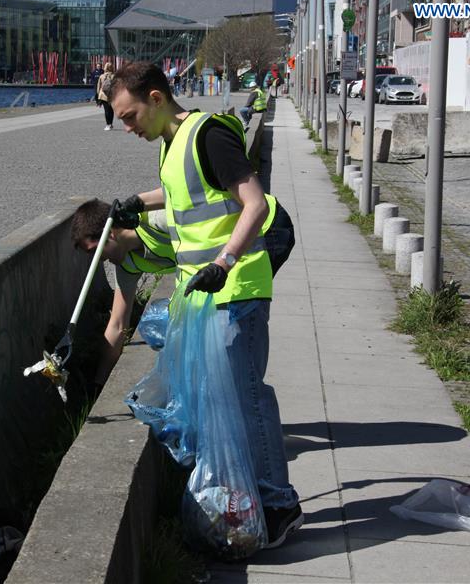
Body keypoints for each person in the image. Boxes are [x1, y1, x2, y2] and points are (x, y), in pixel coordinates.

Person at [105, 61, 301, 549]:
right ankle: (259, 496)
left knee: (249, 397)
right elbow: (185, 194)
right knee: (230, 398)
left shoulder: (209, 135)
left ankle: (280, 505)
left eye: (129, 117)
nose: (127, 128)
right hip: (207, 294)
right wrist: (139, 202)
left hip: (236, 291)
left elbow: (253, 202)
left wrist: (226, 259)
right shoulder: (173, 144)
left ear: (155, 98)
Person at [71, 200, 176, 386]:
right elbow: (117, 325)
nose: (100, 260)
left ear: (109, 234)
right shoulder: (127, 264)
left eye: (96, 251)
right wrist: (98, 383)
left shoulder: (160, 221)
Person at [96, 62, 116, 130]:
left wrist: (99, 96)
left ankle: (108, 125)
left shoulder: (102, 76)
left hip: (104, 95)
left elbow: (98, 87)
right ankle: (111, 124)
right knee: (111, 110)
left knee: (106, 110)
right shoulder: (114, 76)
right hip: (112, 95)